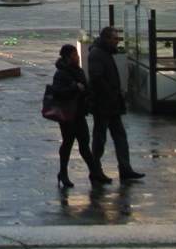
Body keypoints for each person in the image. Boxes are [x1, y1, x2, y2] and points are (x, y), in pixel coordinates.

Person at [87, 26, 143, 182]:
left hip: (111, 104)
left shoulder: (104, 52)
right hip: (103, 104)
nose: (117, 42)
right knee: (100, 139)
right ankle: (96, 170)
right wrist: (111, 94)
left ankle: (125, 169)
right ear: (107, 39)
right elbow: (97, 78)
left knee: (119, 137)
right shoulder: (97, 54)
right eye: (115, 39)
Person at [50, 43, 109, 188]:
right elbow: (57, 92)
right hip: (67, 115)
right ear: (68, 57)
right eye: (75, 55)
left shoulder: (78, 71)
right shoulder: (61, 74)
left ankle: (94, 172)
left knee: (84, 144)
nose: (77, 57)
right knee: (68, 143)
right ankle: (64, 173)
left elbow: (86, 88)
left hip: (79, 113)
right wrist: (74, 87)